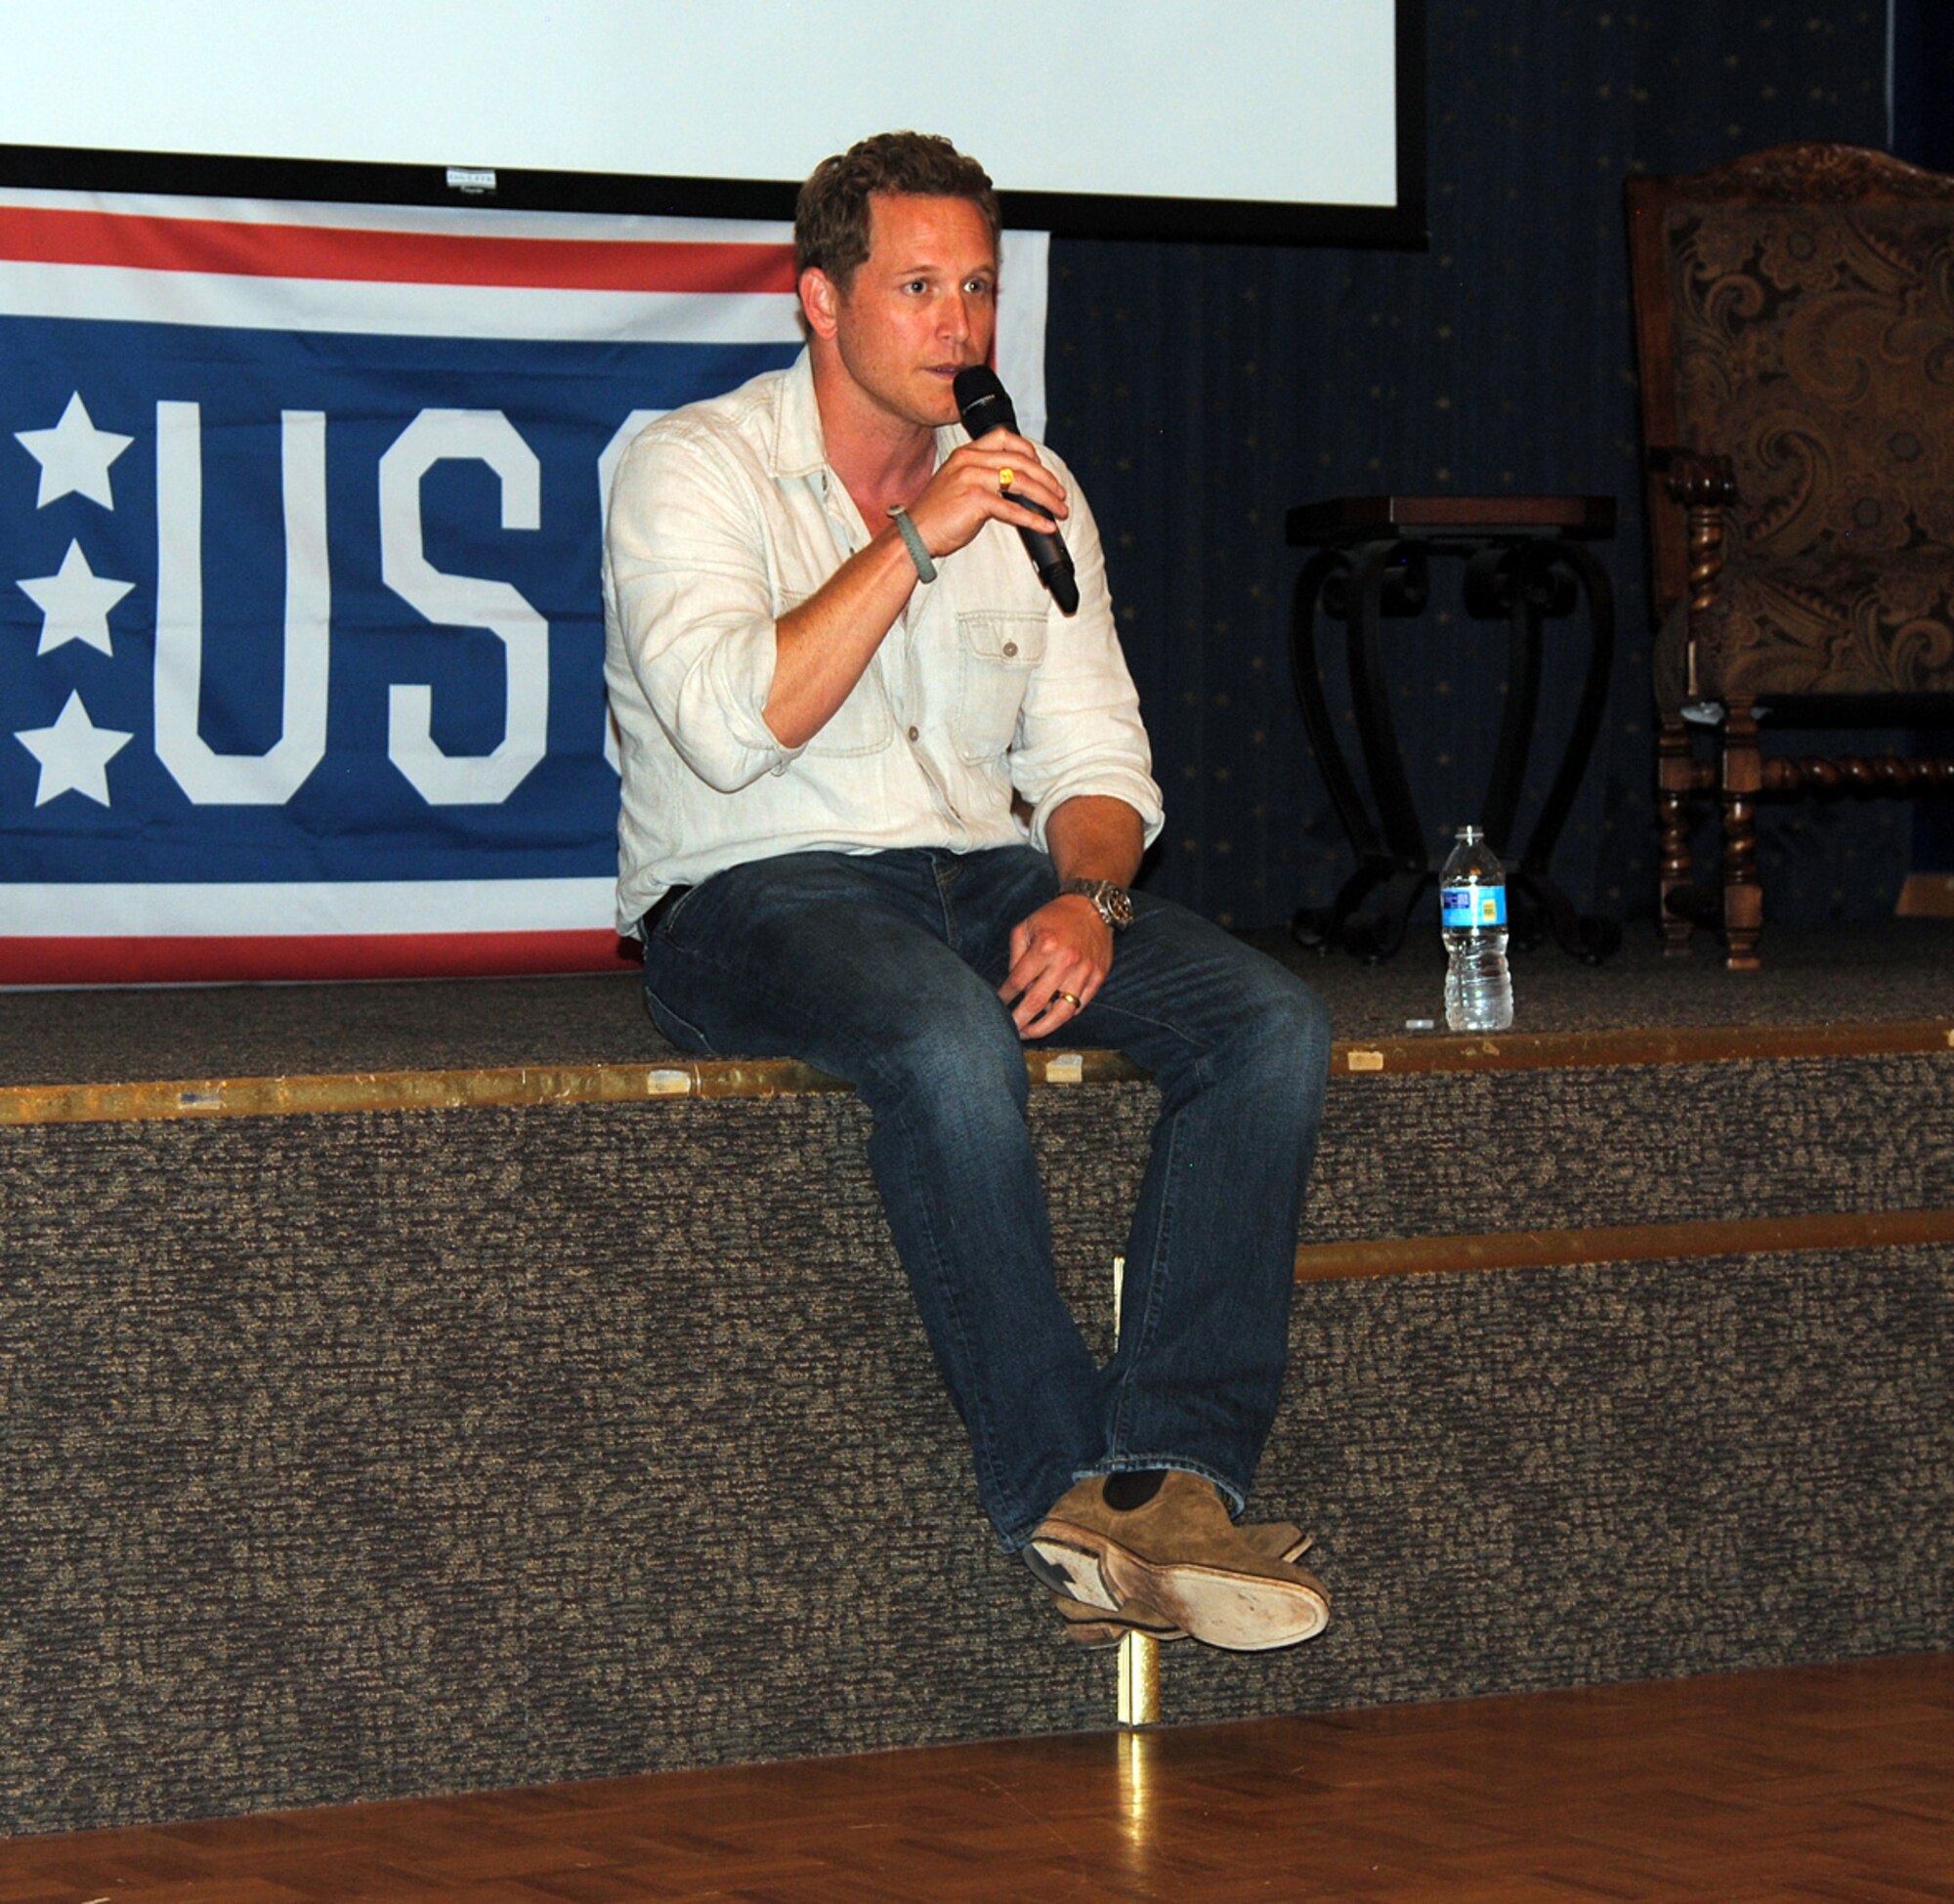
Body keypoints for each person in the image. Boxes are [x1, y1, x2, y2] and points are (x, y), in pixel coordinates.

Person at [603, 131, 1333, 1653]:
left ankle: (1174, 1476)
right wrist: (914, 540)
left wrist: (1090, 902)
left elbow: (1101, 768)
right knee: (947, 1039)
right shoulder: (689, 468)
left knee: (1266, 1020)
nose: (960, 327)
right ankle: (1059, 1482)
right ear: (819, 299)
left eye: (981, 288)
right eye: (920, 286)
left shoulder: (1033, 493)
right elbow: (741, 725)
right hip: (753, 891)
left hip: (981, 873)